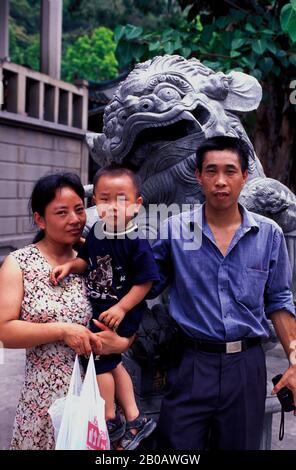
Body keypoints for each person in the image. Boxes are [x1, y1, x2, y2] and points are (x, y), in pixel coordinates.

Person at [150, 136, 296, 450]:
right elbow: (146, 282)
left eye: (230, 171)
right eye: (211, 171)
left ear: (245, 176)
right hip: (190, 362)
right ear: (198, 176)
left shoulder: (268, 233)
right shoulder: (176, 230)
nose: (220, 181)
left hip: (246, 367)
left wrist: (295, 360)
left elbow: (280, 300)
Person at [0, 172, 130, 450]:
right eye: (62, 212)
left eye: (79, 210)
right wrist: (62, 330)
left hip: (99, 398)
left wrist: (123, 342)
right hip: (43, 403)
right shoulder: (19, 263)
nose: (75, 219)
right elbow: (5, 331)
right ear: (40, 219)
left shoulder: (98, 258)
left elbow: (126, 310)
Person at [50, 165, 159, 450]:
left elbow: (145, 283)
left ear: (136, 205)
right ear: (95, 202)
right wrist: (69, 266)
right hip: (104, 309)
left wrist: (122, 309)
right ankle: (134, 417)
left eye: (121, 199)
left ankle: (110, 416)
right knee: (115, 363)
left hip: (121, 311)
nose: (112, 206)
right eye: (105, 199)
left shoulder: (137, 241)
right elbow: (86, 260)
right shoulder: (98, 233)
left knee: (98, 363)